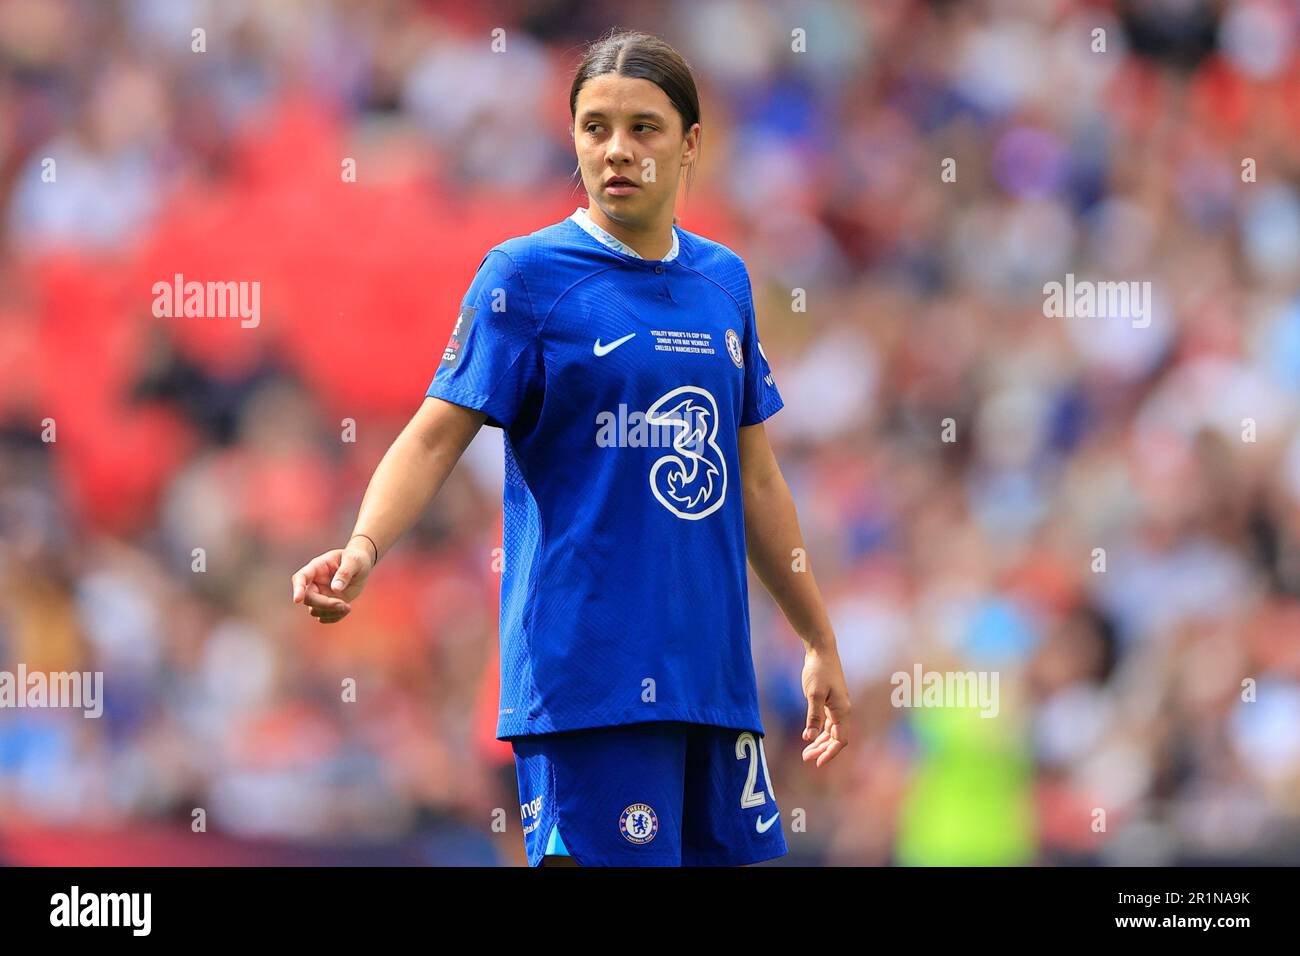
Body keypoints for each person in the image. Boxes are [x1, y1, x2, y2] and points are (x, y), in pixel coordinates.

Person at [291, 29, 850, 867]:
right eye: (595, 127)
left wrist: (816, 638)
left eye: (643, 128)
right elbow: (436, 434)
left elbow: (757, 482)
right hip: (590, 683)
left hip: (713, 682)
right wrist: (365, 547)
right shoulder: (526, 276)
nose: (616, 150)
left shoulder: (724, 283)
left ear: (691, 143)